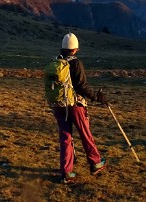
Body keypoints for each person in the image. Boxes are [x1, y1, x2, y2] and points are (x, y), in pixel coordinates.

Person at [44, 33, 108, 184]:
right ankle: (95, 162)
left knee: (65, 137)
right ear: (76, 48)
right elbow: (81, 87)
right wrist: (97, 97)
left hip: (59, 105)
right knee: (85, 133)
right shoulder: (76, 63)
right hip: (75, 105)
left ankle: (66, 172)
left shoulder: (56, 62)